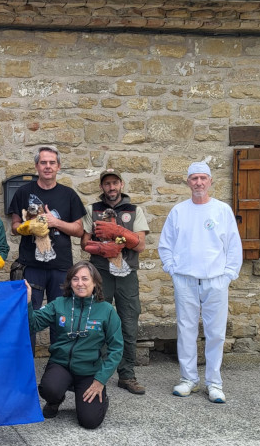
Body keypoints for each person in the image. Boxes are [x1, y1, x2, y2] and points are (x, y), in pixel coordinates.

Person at [158, 162, 242, 404]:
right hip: (185, 280)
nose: (199, 183)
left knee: (216, 333)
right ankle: (189, 380)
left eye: (203, 178)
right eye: (194, 178)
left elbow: (234, 247)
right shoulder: (178, 211)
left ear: (211, 181)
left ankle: (214, 383)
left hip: (216, 280)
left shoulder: (222, 210)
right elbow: (166, 245)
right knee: (186, 330)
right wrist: (173, 271)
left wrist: (227, 275)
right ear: (188, 182)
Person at [28, 261, 123, 429]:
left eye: (85, 279)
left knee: (90, 421)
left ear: (95, 282)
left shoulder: (107, 310)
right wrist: (28, 303)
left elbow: (116, 349)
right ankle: (54, 401)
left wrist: (100, 380)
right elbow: (33, 324)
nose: (80, 283)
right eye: (75, 279)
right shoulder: (58, 304)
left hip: (89, 371)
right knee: (50, 388)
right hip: (61, 365)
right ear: (69, 283)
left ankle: (101, 399)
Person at [9, 146, 86, 349]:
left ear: (58, 167)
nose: (48, 166)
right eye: (43, 162)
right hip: (31, 266)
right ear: (36, 166)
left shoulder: (68, 194)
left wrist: (55, 222)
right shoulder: (24, 192)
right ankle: (26, 371)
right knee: (28, 316)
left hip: (60, 266)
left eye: (52, 162)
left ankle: (58, 369)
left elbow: (79, 230)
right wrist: (29, 227)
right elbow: (14, 227)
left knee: (60, 318)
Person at [80, 169, 149, 395]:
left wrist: (120, 232)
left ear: (121, 184)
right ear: (102, 187)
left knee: (128, 323)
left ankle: (127, 375)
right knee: (95, 322)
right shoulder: (93, 210)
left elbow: (140, 245)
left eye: (115, 183)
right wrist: (101, 247)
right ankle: (93, 373)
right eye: (107, 184)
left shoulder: (134, 211)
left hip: (127, 273)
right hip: (100, 274)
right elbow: (84, 243)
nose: (111, 187)